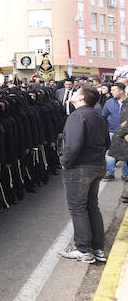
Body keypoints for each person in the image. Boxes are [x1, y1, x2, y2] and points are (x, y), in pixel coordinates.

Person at [59, 85, 109, 264]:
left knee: (78, 208)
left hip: (80, 168)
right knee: (91, 207)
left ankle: (82, 249)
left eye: (76, 92)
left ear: (81, 98)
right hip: (97, 165)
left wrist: (65, 162)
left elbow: (73, 144)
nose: (73, 94)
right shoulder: (98, 116)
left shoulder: (77, 115)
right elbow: (107, 143)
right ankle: (97, 247)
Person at [103, 82, 126, 181]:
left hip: (126, 133)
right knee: (110, 152)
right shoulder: (109, 102)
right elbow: (103, 116)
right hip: (112, 131)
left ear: (121, 91)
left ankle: (126, 173)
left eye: (114, 90)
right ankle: (110, 172)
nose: (111, 92)